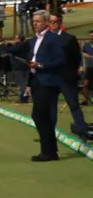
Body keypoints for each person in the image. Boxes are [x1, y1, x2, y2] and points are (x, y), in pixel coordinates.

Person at [26, 10, 66, 162]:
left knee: (40, 115)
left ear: (46, 22)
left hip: (48, 82)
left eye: (38, 21)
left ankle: (47, 151)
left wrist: (41, 65)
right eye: (34, 20)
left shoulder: (53, 39)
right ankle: (50, 150)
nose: (34, 23)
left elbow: (61, 61)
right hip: (36, 80)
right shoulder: (34, 40)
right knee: (41, 116)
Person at [48, 14, 90, 141]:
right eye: (50, 21)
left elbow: (76, 57)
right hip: (51, 78)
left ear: (60, 22)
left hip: (67, 78)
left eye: (55, 21)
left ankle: (83, 132)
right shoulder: (45, 38)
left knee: (74, 105)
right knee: (50, 107)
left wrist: (72, 71)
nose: (53, 23)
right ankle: (48, 134)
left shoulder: (69, 39)